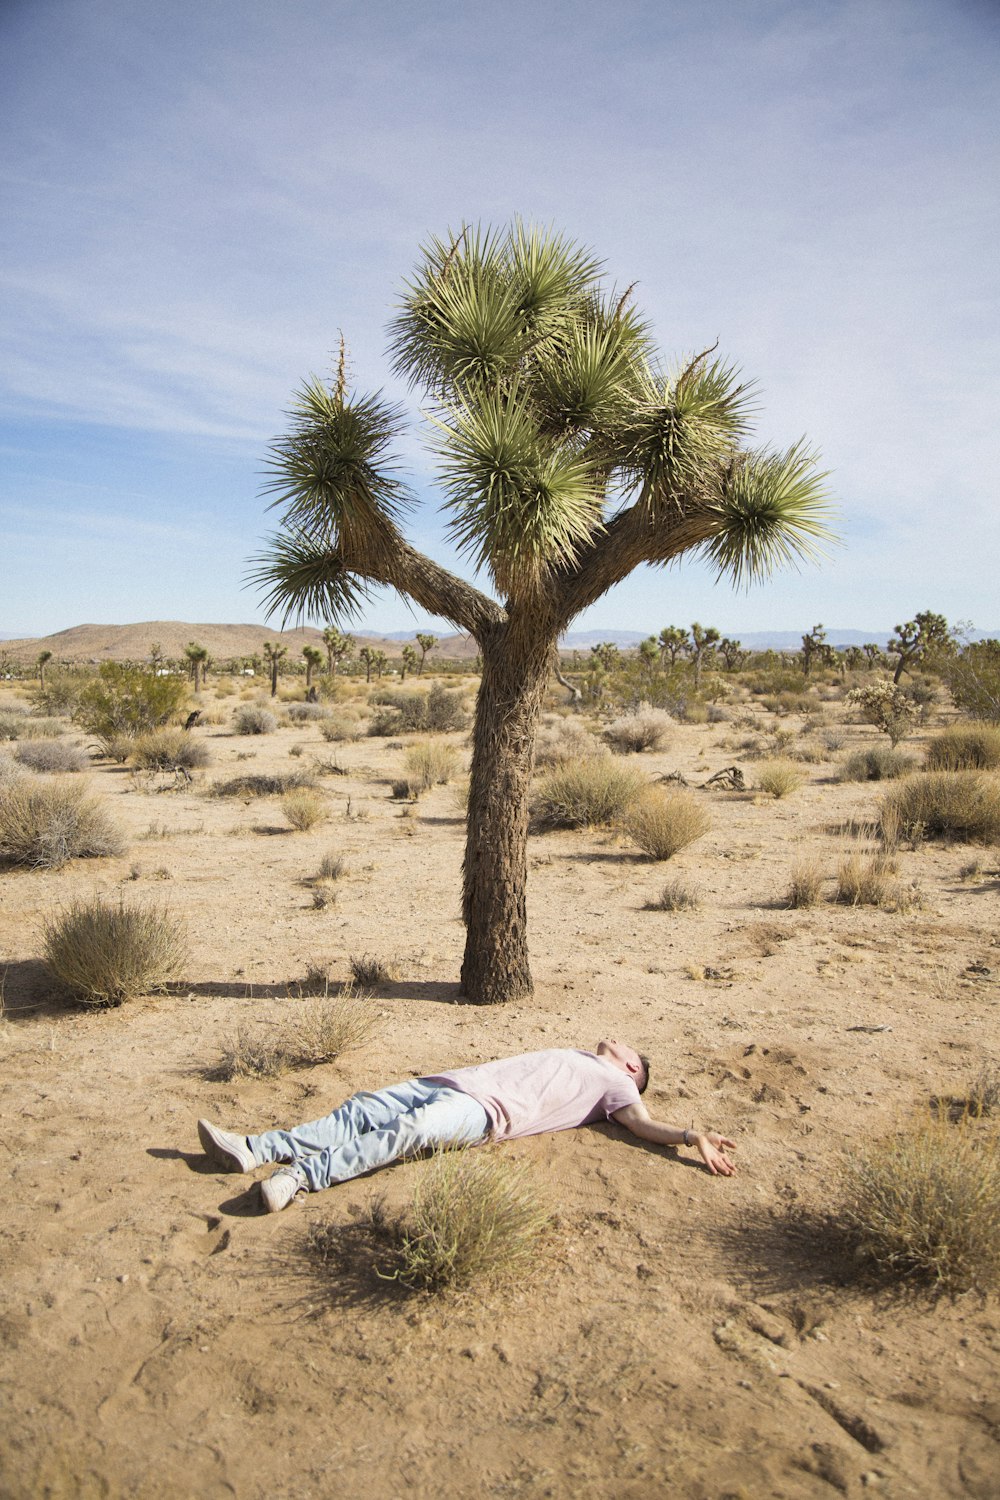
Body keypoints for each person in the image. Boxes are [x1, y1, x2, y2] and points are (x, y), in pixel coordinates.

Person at [197, 1038, 736, 1213]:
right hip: (452, 1081)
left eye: (628, 1048)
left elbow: (642, 1124)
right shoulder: (580, 1054)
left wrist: (692, 1136)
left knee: (404, 1135)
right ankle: (254, 1148)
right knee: (360, 1109)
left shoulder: (616, 1086)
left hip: (483, 1113)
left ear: (632, 1069)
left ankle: (299, 1177)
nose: (616, 1039)